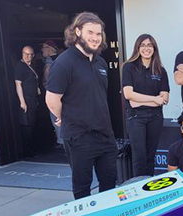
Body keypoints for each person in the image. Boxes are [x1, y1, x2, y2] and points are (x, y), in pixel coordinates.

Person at [46, 12, 118, 199]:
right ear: (77, 31)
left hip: (105, 135)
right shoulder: (64, 63)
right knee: (82, 188)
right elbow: (52, 99)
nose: (95, 38)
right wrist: (66, 116)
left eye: (98, 33)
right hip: (79, 137)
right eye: (90, 32)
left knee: (109, 184)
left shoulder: (101, 62)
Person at [122, 34, 169, 177]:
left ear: (154, 49)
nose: (146, 48)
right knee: (139, 157)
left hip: (155, 117)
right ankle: (138, 189)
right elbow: (128, 95)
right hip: (136, 118)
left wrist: (140, 101)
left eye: (149, 45)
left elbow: (165, 98)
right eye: (143, 45)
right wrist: (154, 99)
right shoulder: (129, 67)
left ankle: (149, 188)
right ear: (137, 48)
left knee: (150, 156)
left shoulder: (160, 70)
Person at [14, 45, 40, 157]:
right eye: (25, 54)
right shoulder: (20, 66)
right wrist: (22, 102)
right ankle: (27, 151)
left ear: (33, 55)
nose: (27, 56)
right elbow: (18, 84)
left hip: (33, 99)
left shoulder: (31, 65)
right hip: (26, 100)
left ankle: (32, 148)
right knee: (27, 125)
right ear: (22, 54)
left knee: (32, 125)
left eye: (30, 54)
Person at [41, 40, 63, 147]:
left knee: (56, 117)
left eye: (44, 47)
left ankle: (60, 141)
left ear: (51, 49)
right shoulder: (61, 60)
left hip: (53, 94)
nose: (42, 49)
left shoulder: (49, 62)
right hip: (61, 93)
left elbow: (46, 77)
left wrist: (45, 86)